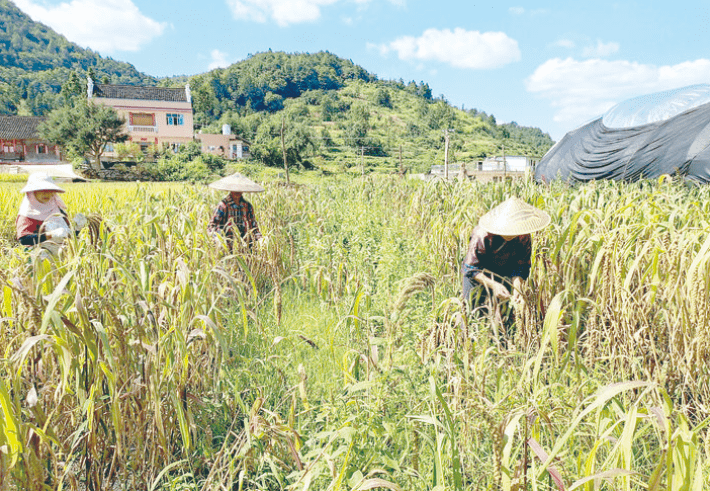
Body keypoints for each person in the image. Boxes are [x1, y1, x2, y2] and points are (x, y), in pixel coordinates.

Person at [461, 197, 550, 314]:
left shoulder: (523, 235)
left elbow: (521, 266)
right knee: (471, 312)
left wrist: (517, 285)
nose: (511, 234)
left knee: (503, 314)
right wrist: (493, 285)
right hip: (478, 273)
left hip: (503, 271)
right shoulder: (482, 235)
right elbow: (470, 268)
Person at [207, 173, 264, 249]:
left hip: (246, 246)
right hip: (227, 247)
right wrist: (218, 238)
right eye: (235, 189)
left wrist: (260, 239)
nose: (237, 191)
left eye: (239, 189)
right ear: (231, 190)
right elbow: (212, 226)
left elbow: (253, 226)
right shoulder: (223, 205)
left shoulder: (247, 206)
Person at [15, 173, 71, 247]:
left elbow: (69, 234)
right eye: (41, 190)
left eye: (49, 190)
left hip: (63, 253)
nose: (46, 193)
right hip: (38, 255)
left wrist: (77, 228)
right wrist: (50, 235)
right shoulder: (28, 214)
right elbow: (24, 239)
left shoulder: (58, 211)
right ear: (32, 192)